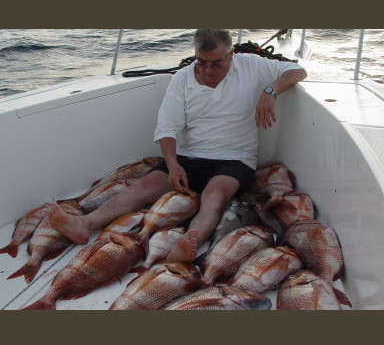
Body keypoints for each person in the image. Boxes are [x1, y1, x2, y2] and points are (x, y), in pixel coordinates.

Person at [48, 29, 307, 263]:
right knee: (143, 186)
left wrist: (270, 91)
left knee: (213, 197)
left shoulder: (251, 65)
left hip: (235, 159)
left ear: (232, 55)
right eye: (201, 63)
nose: (208, 70)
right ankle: (85, 224)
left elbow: (298, 71)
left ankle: (184, 247)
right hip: (188, 156)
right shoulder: (182, 79)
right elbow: (167, 128)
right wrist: (172, 166)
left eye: (216, 63)